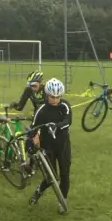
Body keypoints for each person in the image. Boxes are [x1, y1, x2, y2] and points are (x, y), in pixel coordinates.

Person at [28, 78, 73, 214]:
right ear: (47, 96)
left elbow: (68, 121)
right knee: (51, 177)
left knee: (65, 174)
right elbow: (33, 129)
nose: (55, 100)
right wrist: (32, 142)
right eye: (52, 97)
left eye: (58, 97)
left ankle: (62, 200)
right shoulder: (42, 110)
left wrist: (56, 126)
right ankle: (39, 191)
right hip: (48, 147)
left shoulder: (65, 106)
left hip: (63, 145)